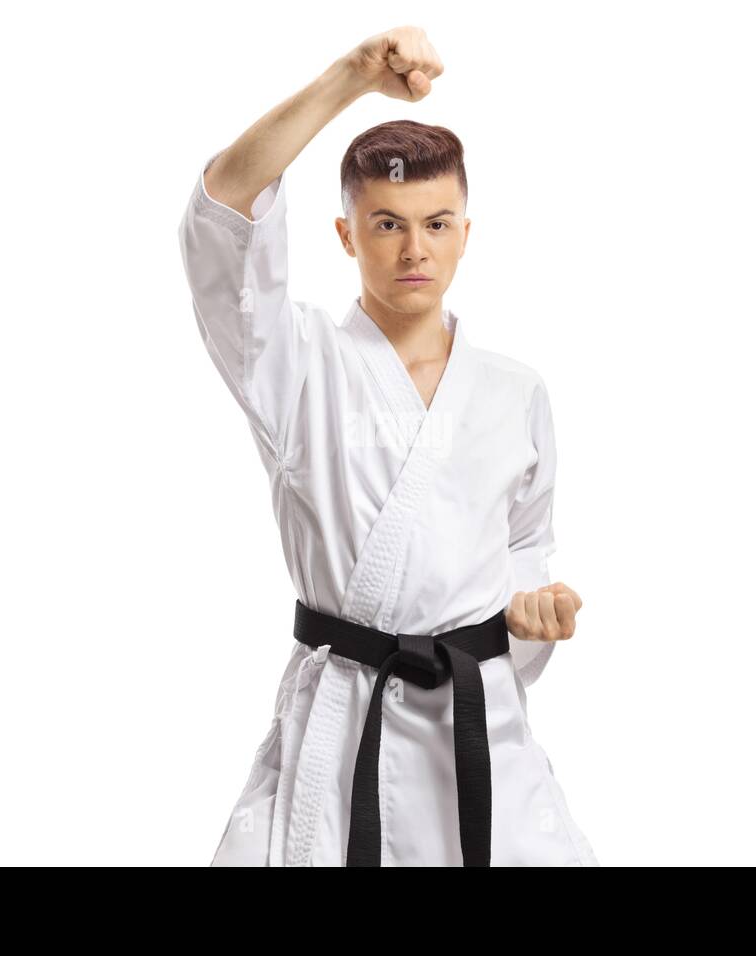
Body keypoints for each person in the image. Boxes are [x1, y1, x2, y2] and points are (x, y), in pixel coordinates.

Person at [177, 25, 599, 866]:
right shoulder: (292, 366)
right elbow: (225, 208)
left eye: (437, 223)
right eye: (387, 224)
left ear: (466, 232)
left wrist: (531, 609)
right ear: (346, 236)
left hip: (479, 731)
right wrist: (350, 79)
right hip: (341, 727)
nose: (415, 249)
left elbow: (523, 546)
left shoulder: (516, 392)